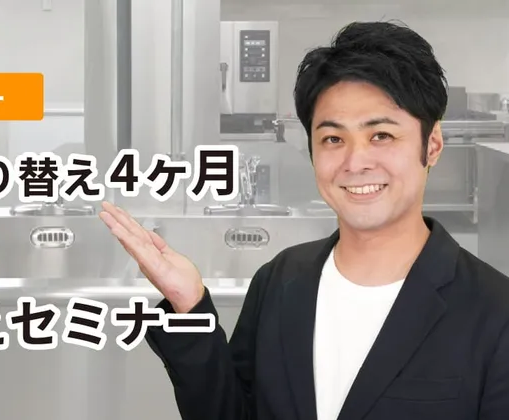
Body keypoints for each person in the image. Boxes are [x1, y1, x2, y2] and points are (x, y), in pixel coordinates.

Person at [98, 21, 509, 420]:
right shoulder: (279, 281)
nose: (355, 162)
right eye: (333, 138)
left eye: (381, 135)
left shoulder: (494, 311)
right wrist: (190, 307)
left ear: (432, 144)